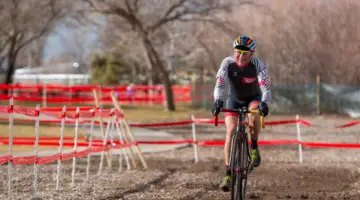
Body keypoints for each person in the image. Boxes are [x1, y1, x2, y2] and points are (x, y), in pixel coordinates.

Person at [211, 35, 271, 192]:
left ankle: (254, 146)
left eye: (245, 53)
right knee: (230, 132)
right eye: (238, 52)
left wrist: (265, 103)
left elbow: (265, 88)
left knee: (253, 115)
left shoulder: (258, 65)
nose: (241, 56)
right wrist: (218, 100)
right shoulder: (227, 63)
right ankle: (228, 174)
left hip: (253, 98)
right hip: (234, 100)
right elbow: (220, 84)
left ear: (252, 54)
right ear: (234, 51)